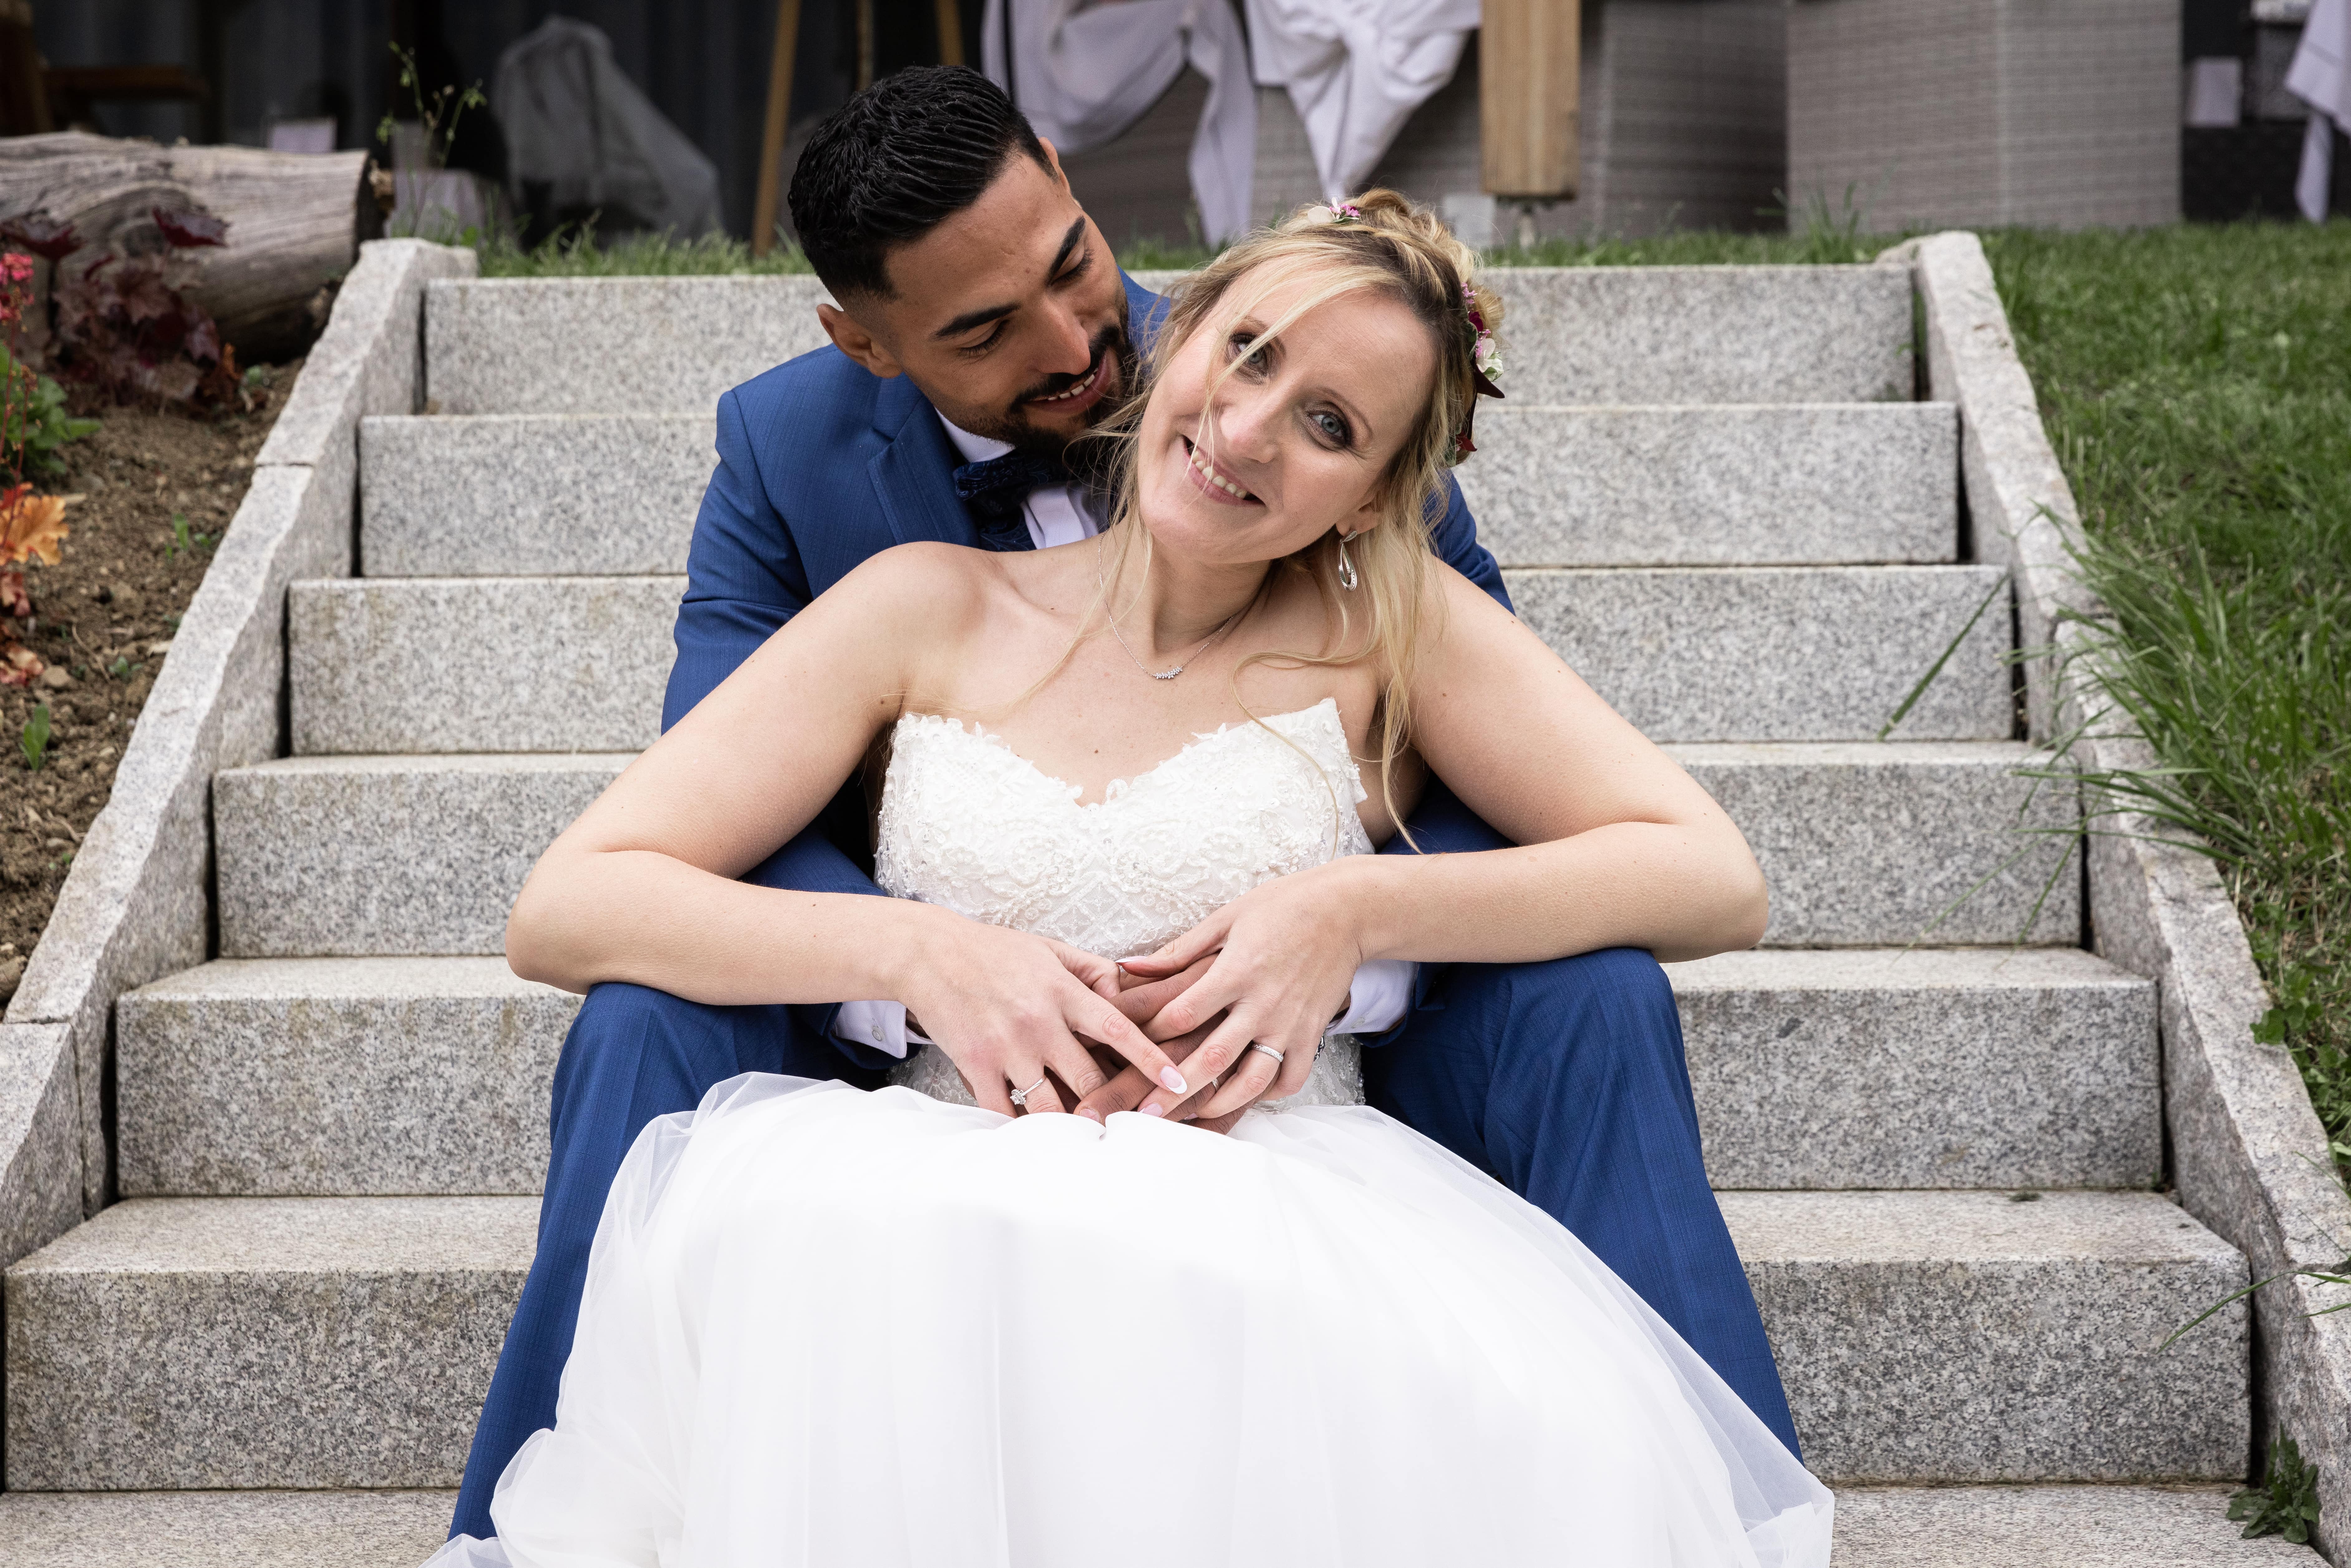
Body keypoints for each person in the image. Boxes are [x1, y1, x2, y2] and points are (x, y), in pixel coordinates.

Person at [449, 65, 1802, 1545]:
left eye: (1328, 424)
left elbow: (1678, 858)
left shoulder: (1382, 588)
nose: (1240, 424)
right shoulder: (889, 575)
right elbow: (620, 871)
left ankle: (1707, 1496)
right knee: (649, 1036)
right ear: (868, 345)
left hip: (1278, 1146)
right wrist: (925, 959)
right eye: (985, 329)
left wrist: (1344, 920)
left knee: (1595, 1002)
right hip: (937, 1129)